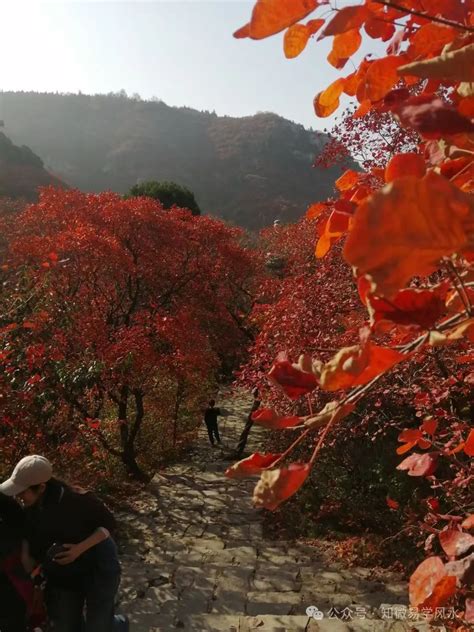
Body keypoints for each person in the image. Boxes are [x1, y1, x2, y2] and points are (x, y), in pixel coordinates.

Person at [0, 455, 128, 632]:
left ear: (41, 488)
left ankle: (120, 624)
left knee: (98, 626)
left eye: (22, 492)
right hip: (65, 572)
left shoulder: (76, 499)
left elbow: (108, 525)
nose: (19, 496)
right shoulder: (30, 510)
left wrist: (79, 549)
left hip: (99, 563)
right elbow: (32, 542)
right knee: (65, 625)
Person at [234, 387, 261, 458]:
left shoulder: (257, 403)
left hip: (253, 415)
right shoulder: (257, 402)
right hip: (253, 415)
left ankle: (239, 451)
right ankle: (239, 450)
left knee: (246, 430)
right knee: (246, 429)